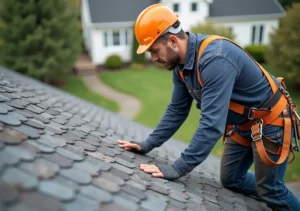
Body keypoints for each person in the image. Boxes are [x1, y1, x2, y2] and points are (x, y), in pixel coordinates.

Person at [117, 3, 300, 210]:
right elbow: (177, 110)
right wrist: (147, 144)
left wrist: (178, 168)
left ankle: (276, 194)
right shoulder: (181, 67)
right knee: (231, 179)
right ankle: (269, 192)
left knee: (272, 190)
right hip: (244, 123)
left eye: (154, 51)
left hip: (271, 120)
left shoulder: (215, 59)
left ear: (173, 41)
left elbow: (212, 125)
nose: (153, 58)